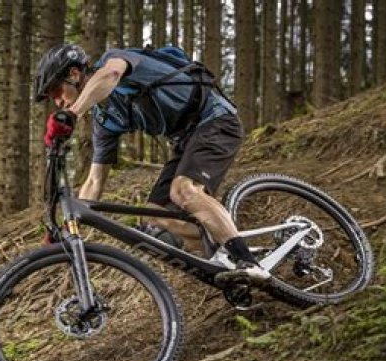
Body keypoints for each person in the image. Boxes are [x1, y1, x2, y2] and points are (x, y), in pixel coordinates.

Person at [34, 43, 270, 284]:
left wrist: (73, 114)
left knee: (183, 190)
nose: (58, 102)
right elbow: (94, 181)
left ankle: (248, 261)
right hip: (185, 140)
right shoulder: (105, 120)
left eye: (57, 91)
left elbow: (111, 74)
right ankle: (227, 249)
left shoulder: (114, 61)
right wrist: (68, 228)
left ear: (74, 74)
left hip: (216, 119)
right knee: (154, 218)